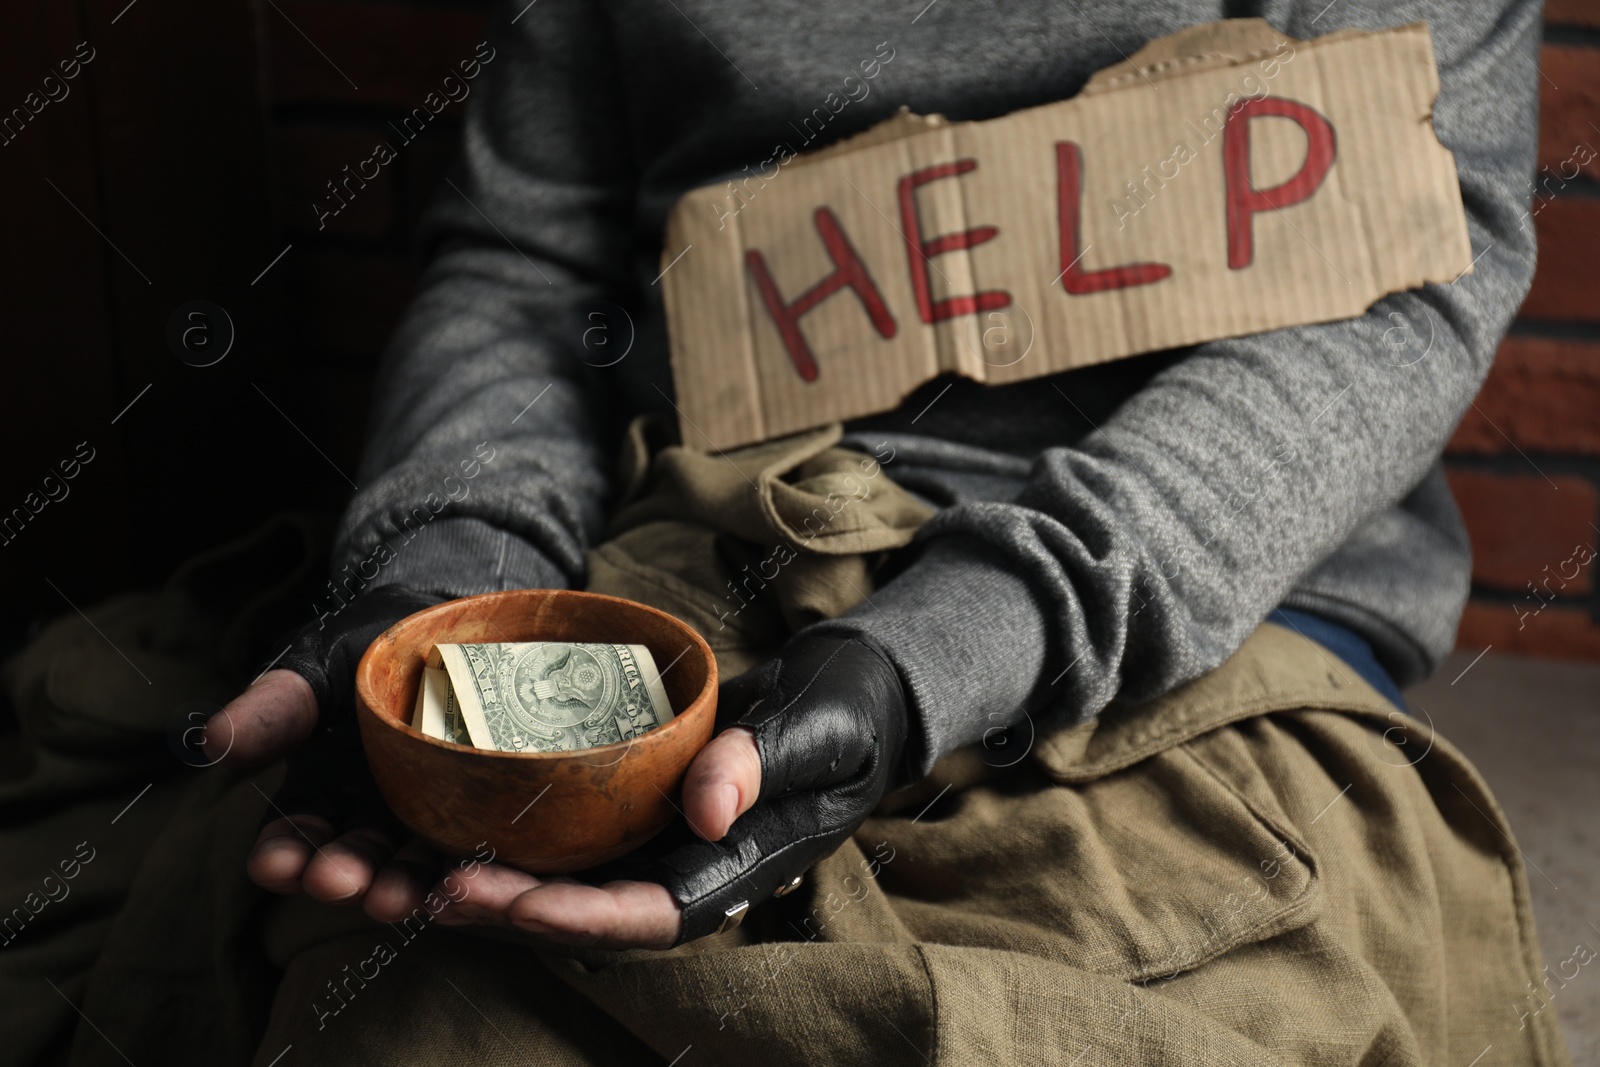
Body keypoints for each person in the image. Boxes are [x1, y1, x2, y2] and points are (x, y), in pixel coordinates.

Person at [200, 0, 1571, 1061]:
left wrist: (960, 639)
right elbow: (528, 263)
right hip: (708, 525)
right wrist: (454, 581)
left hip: (1216, 572)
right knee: (426, 1014)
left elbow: (1398, 288)